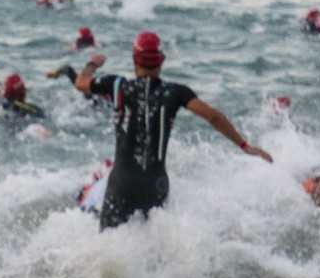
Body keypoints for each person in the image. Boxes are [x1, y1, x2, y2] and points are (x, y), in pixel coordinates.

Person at [76, 32, 270, 230]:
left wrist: (92, 64)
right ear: (161, 61)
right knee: (155, 248)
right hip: (155, 184)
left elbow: (81, 83)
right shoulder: (176, 92)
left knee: (109, 243)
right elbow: (213, 116)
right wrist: (244, 145)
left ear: (135, 60)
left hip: (123, 182)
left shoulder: (117, 85)